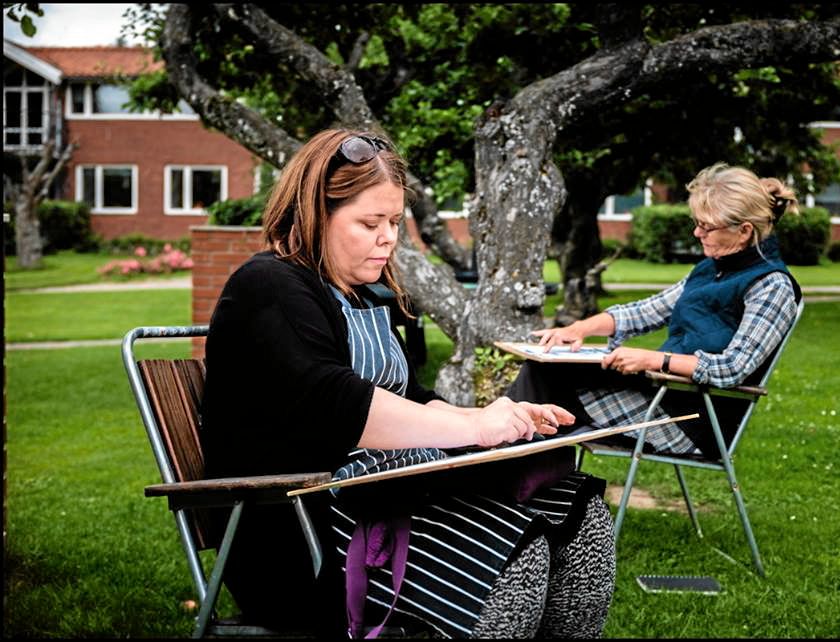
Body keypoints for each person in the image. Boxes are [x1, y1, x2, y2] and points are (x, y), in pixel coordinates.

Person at [199, 129, 616, 639]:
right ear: (313, 214)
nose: (389, 237)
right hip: (299, 535)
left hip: (389, 496)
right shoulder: (269, 286)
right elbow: (335, 405)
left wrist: (491, 419)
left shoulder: (359, 291)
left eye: (394, 221)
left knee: (579, 513)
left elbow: (408, 397)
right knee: (514, 549)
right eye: (369, 222)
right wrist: (477, 429)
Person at [507, 162, 803, 459]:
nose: (696, 232)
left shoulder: (772, 287)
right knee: (542, 375)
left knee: (545, 389)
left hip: (693, 423)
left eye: (706, 226)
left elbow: (732, 368)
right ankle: (507, 471)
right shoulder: (710, 269)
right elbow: (646, 311)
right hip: (660, 396)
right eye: (697, 222)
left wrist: (654, 359)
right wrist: (578, 329)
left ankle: (496, 470)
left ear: (744, 231)